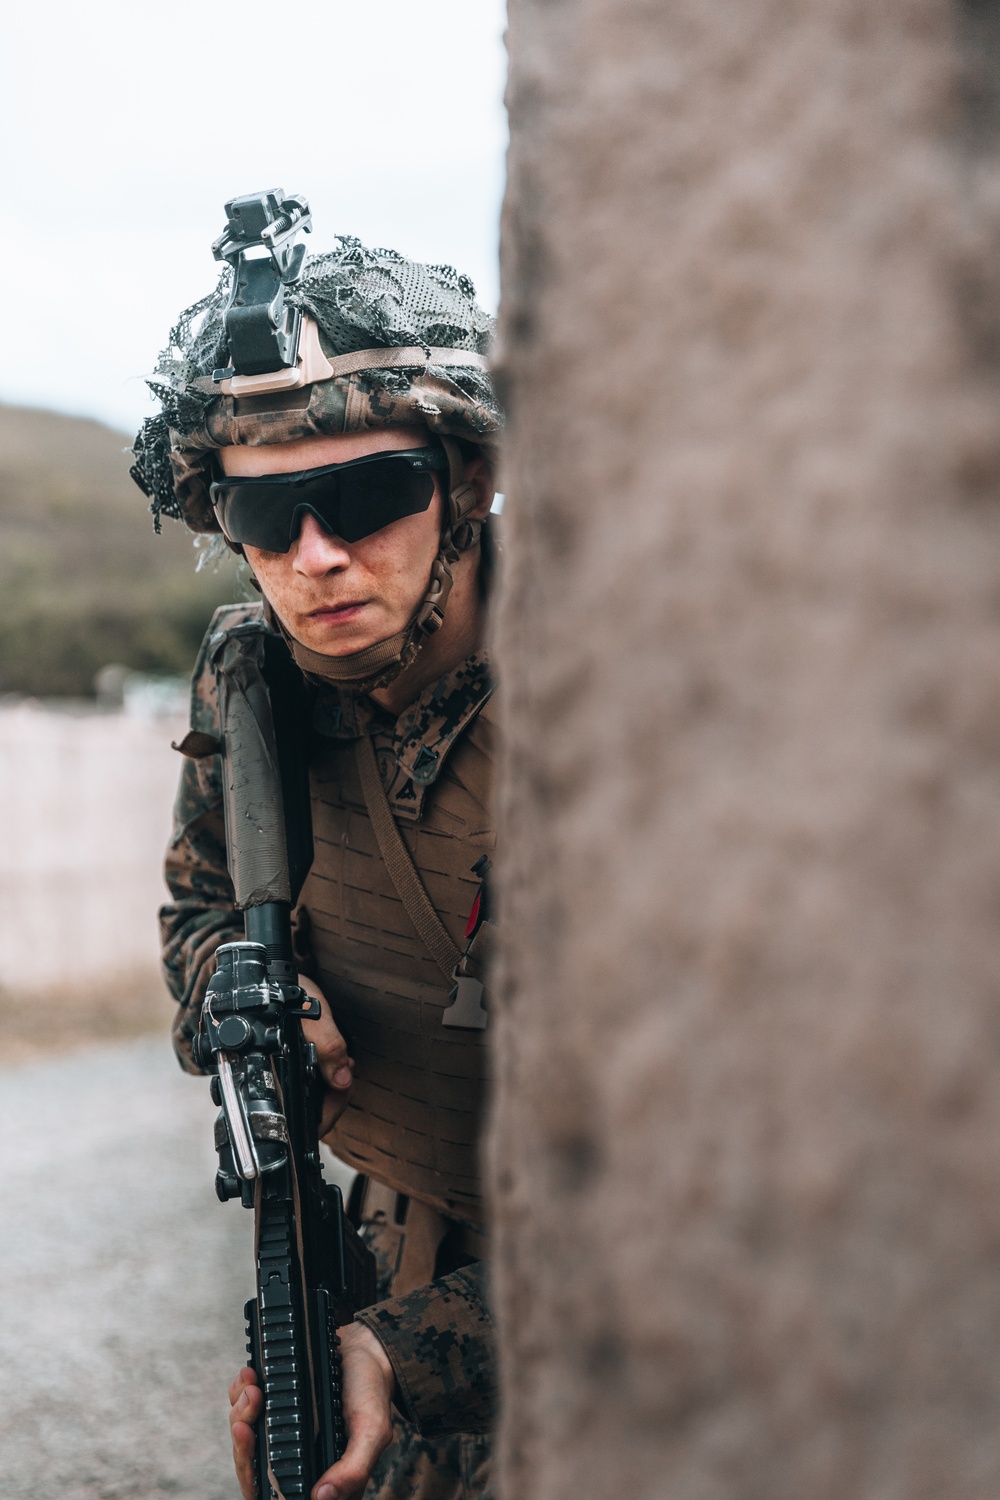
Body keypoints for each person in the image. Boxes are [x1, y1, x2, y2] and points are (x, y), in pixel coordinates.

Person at [131, 222, 502, 1500]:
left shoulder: (611, 693)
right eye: (264, 513)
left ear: (464, 478)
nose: (317, 556)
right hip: (376, 1286)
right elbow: (196, 915)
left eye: (365, 495)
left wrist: (410, 1355)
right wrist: (247, 994)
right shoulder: (251, 685)